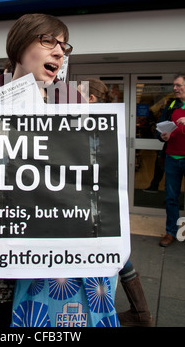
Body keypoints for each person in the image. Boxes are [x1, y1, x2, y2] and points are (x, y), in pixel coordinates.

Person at [0, 13, 84, 327]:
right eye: (49, 41)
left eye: (64, 46)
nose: (60, 53)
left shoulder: (73, 103)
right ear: (20, 44)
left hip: (50, 266)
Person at [79, 78, 153, 327]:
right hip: (100, 199)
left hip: (91, 199)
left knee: (111, 254)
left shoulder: (90, 124)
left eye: (78, 93)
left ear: (90, 99)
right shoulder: (105, 124)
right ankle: (140, 313)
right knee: (115, 252)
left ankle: (125, 313)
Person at [157, 73, 185, 248]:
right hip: (172, 157)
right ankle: (171, 232)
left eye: (178, 85)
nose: (175, 88)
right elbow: (159, 129)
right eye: (174, 85)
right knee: (171, 198)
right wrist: (163, 136)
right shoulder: (171, 105)